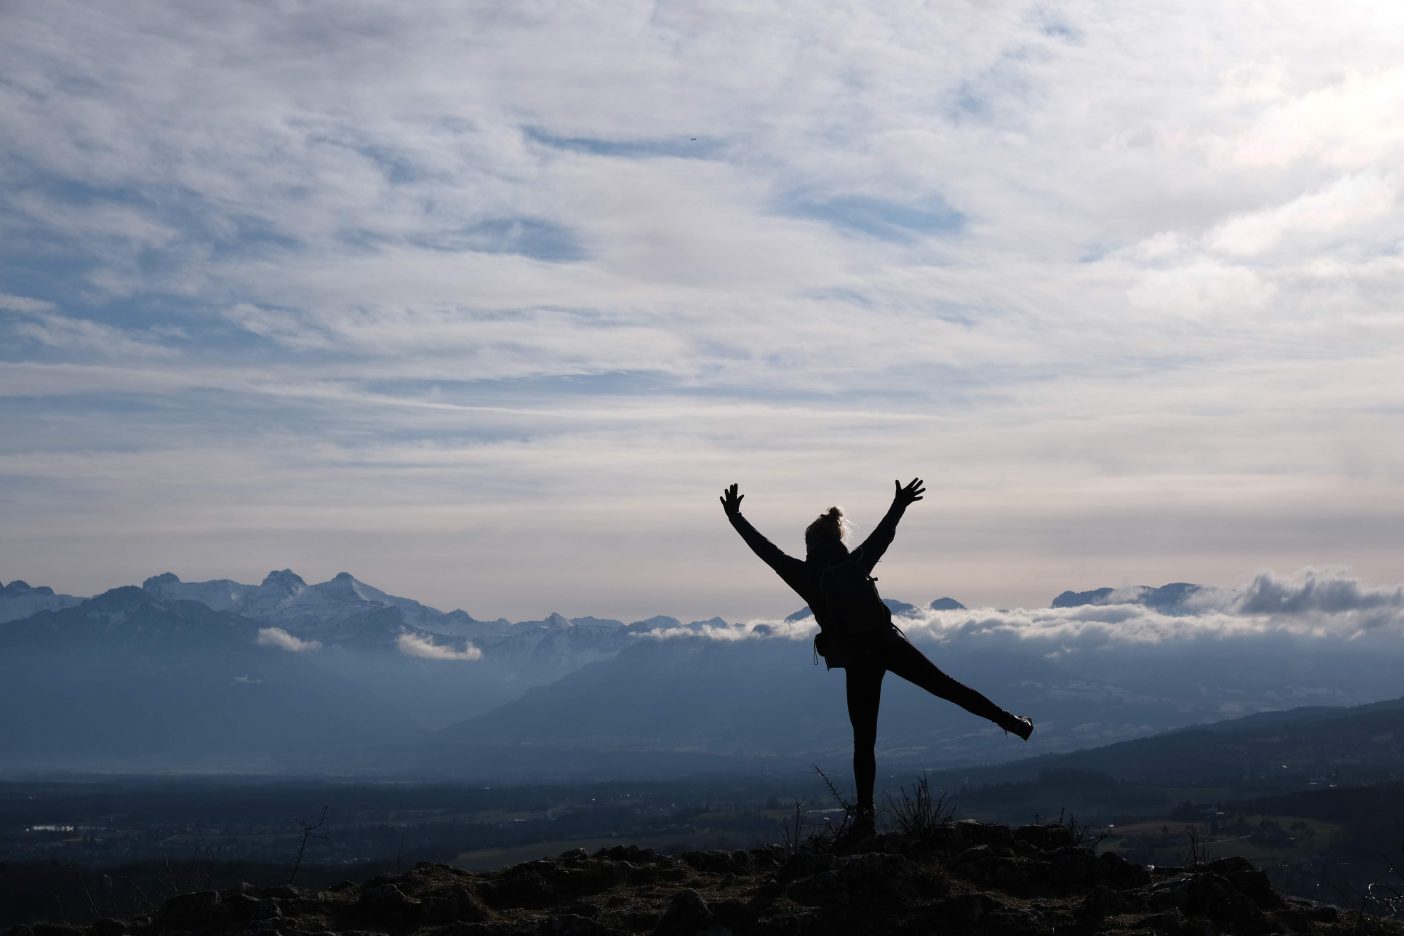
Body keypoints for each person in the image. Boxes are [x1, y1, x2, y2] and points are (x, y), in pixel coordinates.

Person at [720, 478, 1033, 835]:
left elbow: (766, 550)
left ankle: (865, 814)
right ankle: (1011, 721)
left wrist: (736, 518)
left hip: (857, 660)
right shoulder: (855, 564)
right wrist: (900, 503)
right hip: (889, 645)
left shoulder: (804, 574)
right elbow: (884, 535)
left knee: (864, 738)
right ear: (837, 541)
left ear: (810, 545)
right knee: (947, 687)